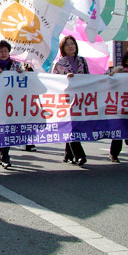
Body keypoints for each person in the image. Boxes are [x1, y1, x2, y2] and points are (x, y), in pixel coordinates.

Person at [0, 40, 24, 169]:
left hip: (13, 101)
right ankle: (4, 155)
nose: (3, 53)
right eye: (0, 51)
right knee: (1, 127)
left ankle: (4, 154)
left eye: (5, 51)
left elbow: (26, 81)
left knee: (8, 128)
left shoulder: (17, 65)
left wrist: (23, 74)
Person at [52, 36, 88, 166]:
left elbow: (88, 78)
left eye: (72, 44)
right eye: (67, 45)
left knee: (75, 125)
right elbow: (54, 82)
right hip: (66, 99)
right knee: (71, 125)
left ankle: (68, 153)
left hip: (80, 98)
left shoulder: (82, 61)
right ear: (63, 48)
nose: (71, 46)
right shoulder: (59, 64)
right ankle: (80, 155)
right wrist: (66, 79)